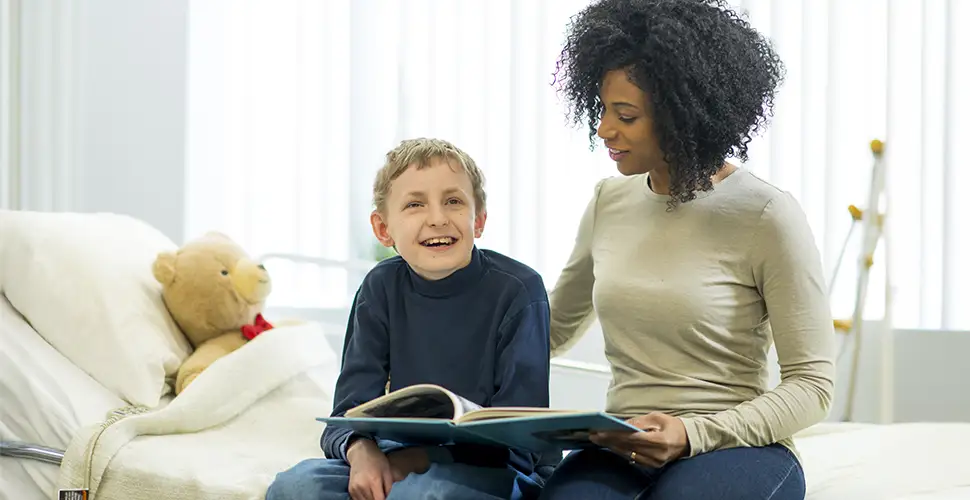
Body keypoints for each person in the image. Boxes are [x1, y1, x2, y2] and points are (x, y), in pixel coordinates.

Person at [540, 0, 836, 499]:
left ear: (682, 115)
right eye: (603, 108)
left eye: (626, 115)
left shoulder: (766, 215)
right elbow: (548, 328)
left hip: (738, 446)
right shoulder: (608, 201)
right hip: (622, 445)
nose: (604, 129)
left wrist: (691, 434)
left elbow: (812, 385)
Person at [266, 138, 555, 500]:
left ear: (478, 220)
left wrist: (412, 461)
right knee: (295, 486)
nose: (437, 218)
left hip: (497, 469)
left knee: (423, 492)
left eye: (453, 201)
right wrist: (362, 452)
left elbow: (522, 441)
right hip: (394, 455)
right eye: (415, 204)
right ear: (383, 229)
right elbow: (346, 415)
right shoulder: (379, 287)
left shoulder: (520, 291)